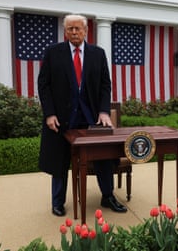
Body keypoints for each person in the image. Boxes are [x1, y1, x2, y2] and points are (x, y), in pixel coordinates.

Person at [37, 14, 127, 216]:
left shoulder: (98, 53)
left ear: (86, 31)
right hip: (61, 119)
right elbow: (43, 85)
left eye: (78, 28)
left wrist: (104, 111)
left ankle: (108, 196)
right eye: (70, 29)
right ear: (65, 31)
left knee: (104, 156)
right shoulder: (53, 52)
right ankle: (57, 202)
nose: (74, 32)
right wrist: (49, 113)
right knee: (60, 161)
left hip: (91, 117)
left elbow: (106, 84)